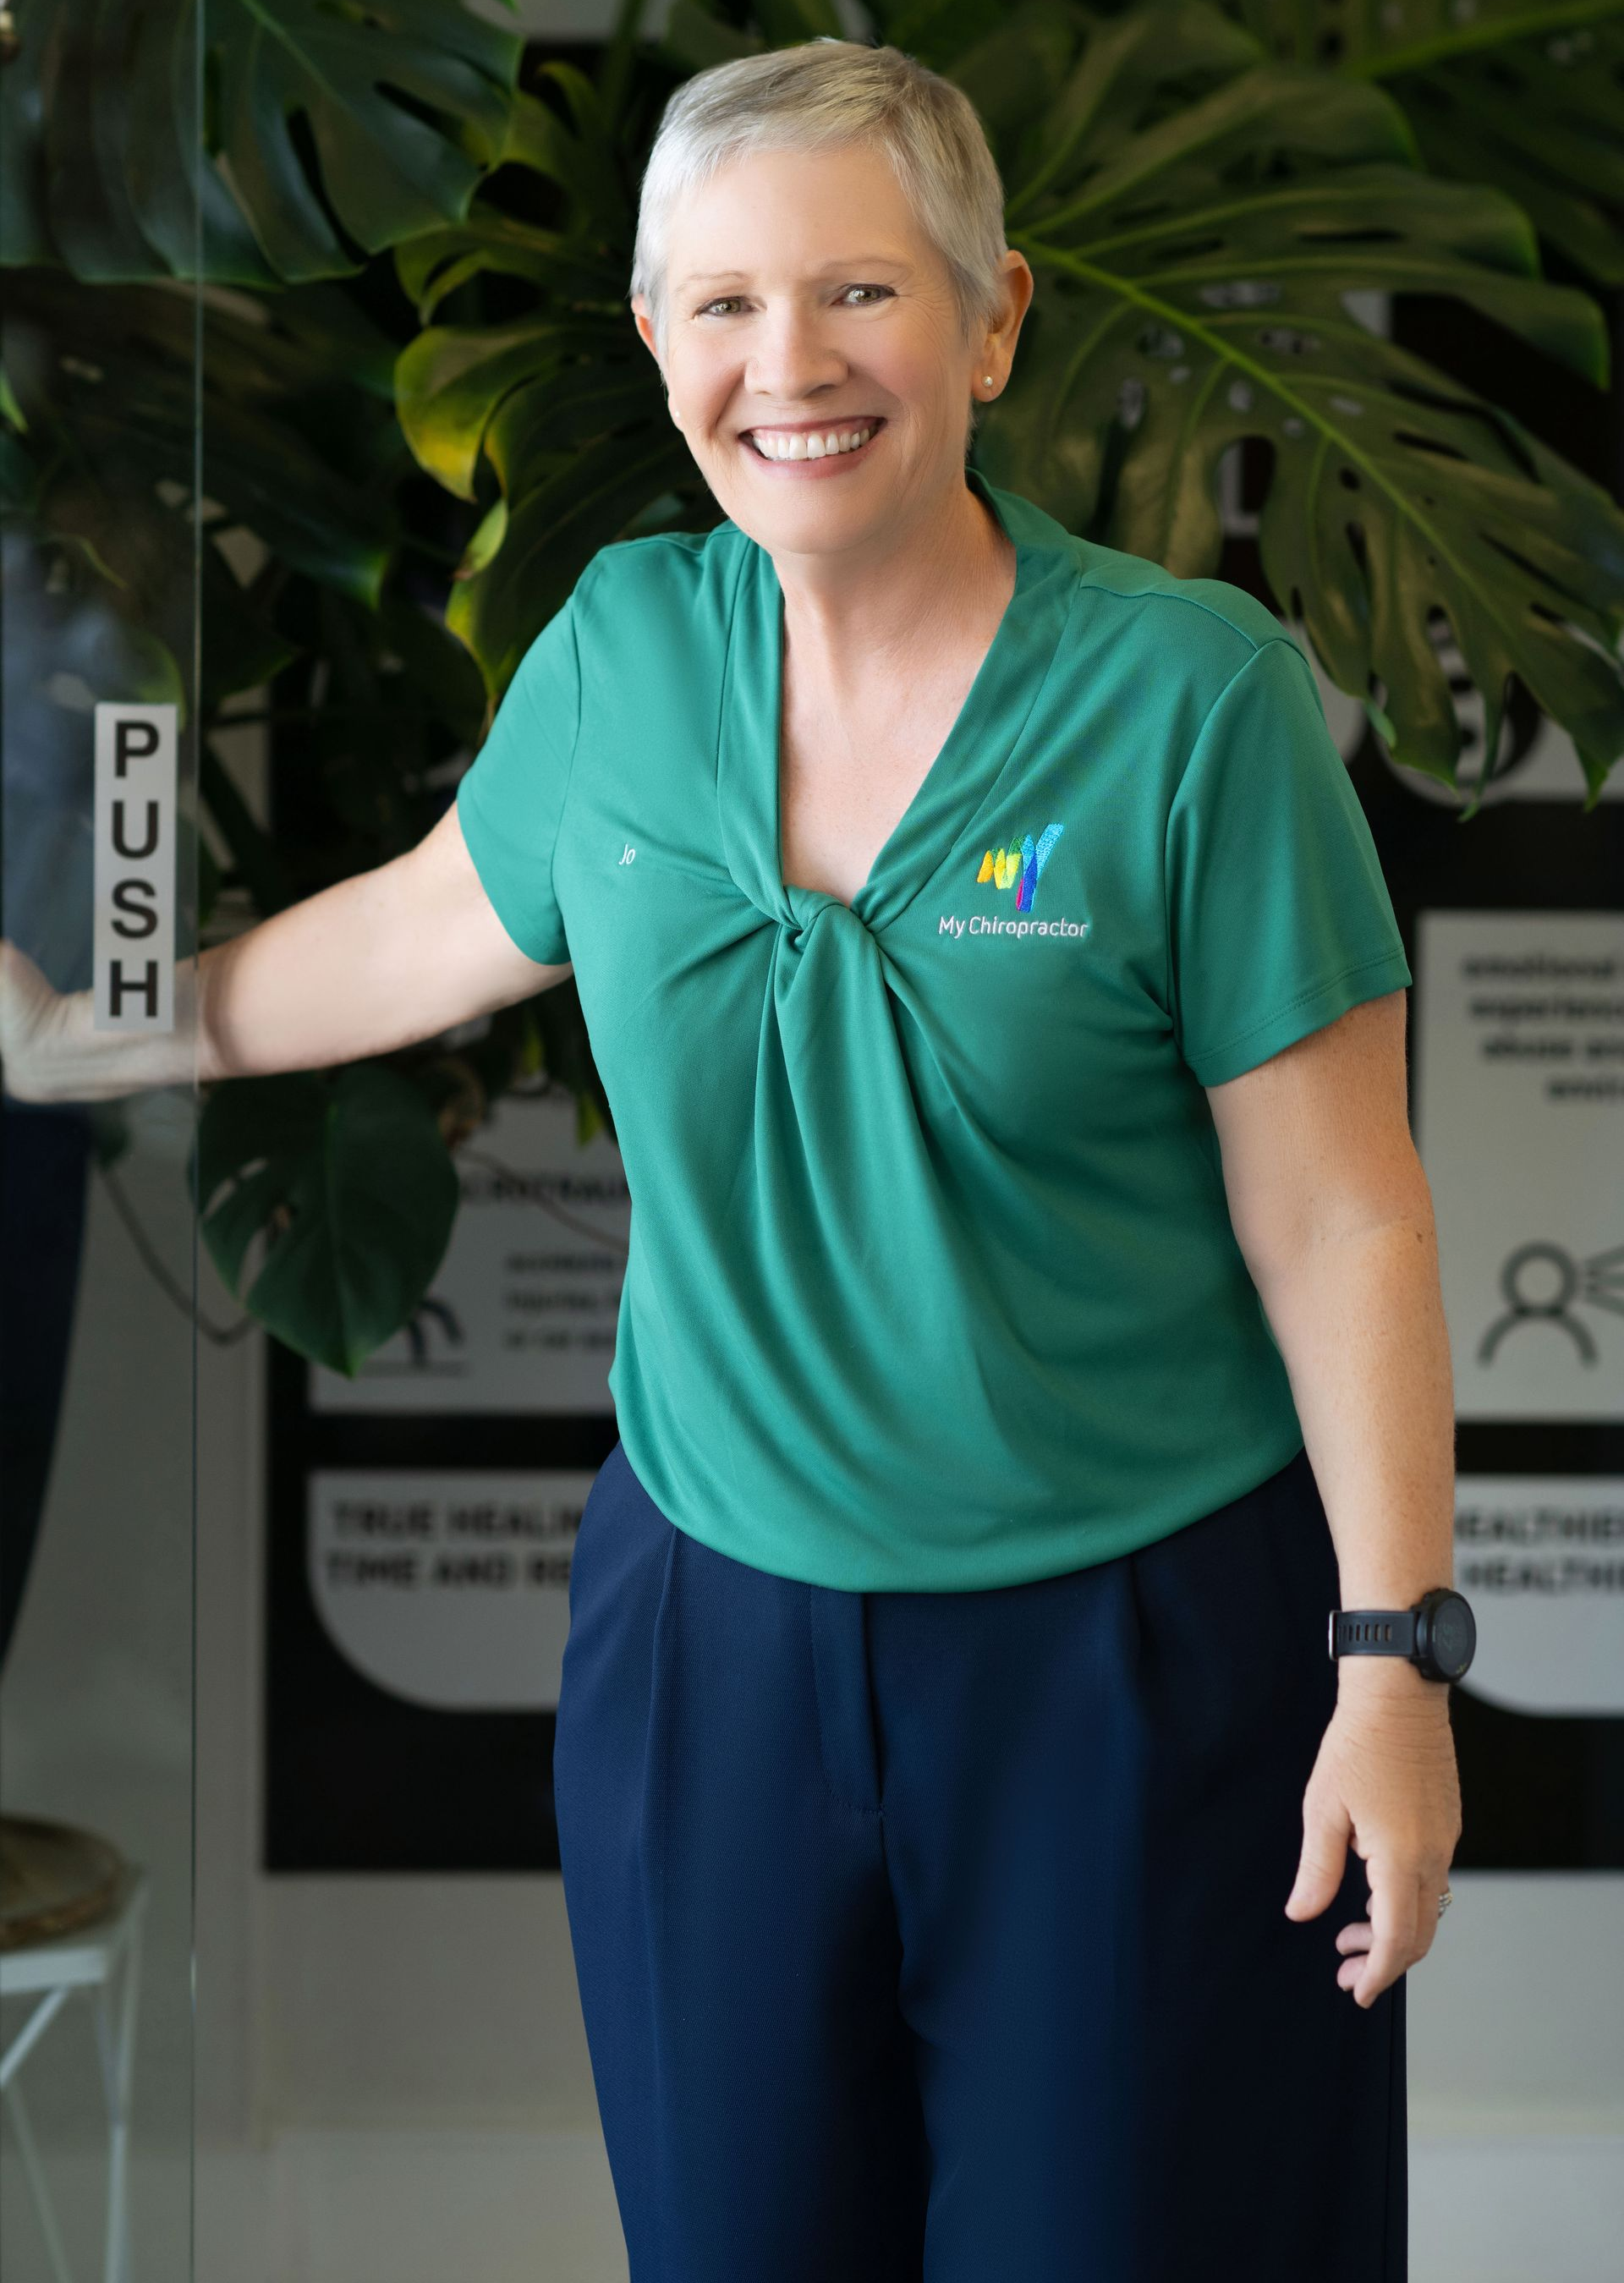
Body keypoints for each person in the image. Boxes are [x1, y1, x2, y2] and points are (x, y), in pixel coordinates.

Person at [3, 36, 1464, 2282]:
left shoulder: (1195, 699)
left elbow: (1341, 1202)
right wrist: (91, 1029)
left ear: (991, 323)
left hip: (1136, 1657)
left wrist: (1391, 1663)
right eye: (724, 304)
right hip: (717, 1649)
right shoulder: (622, 658)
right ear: (657, 341)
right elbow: (420, 931)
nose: (792, 363)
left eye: (863, 295)